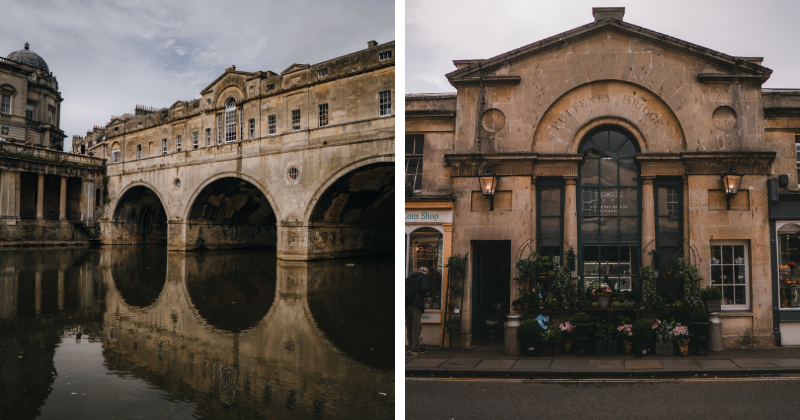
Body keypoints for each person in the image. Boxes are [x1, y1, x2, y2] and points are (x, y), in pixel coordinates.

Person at [406, 266, 428, 354]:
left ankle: (410, 346)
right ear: (426, 272)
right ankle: (415, 347)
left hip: (407, 304)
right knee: (416, 326)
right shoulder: (423, 277)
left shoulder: (411, 277)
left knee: (409, 326)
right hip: (416, 304)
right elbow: (424, 289)